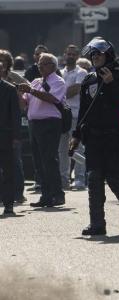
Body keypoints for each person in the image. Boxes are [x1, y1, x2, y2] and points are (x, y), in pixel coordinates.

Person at [69, 37, 119, 236]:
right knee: (94, 178)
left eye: (98, 54)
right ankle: (97, 224)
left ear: (108, 55)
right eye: (92, 55)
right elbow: (84, 110)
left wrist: (110, 84)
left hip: (114, 136)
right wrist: (76, 135)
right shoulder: (89, 79)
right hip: (93, 137)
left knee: (114, 178)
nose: (95, 57)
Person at [18, 53, 66, 208]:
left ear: (53, 66)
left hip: (50, 123)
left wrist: (31, 91)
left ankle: (57, 194)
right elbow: (25, 103)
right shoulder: (36, 81)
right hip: (34, 124)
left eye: (44, 64)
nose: (40, 66)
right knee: (38, 162)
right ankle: (46, 195)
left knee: (49, 159)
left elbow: (53, 99)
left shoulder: (58, 81)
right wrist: (19, 93)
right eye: (39, 64)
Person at [0, 49, 28, 204]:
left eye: (4, 60)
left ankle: (18, 193)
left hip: (11, 125)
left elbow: (27, 96)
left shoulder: (14, 78)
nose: (1, 62)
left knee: (15, 162)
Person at [58, 44, 87, 191]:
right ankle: (64, 179)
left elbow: (74, 91)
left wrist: (58, 93)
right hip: (62, 116)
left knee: (77, 148)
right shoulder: (60, 73)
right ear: (64, 55)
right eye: (68, 54)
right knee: (62, 149)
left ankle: (80, 179)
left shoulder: (81, 72)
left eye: (73, 54)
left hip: (75, 115)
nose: (70, 56)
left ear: (77, 57)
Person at [0, 61, 21, 216]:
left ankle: (8, 204)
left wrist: (16, 137)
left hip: (5, 137)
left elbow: (15, 116)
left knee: (8, 171)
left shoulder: (10, 89)